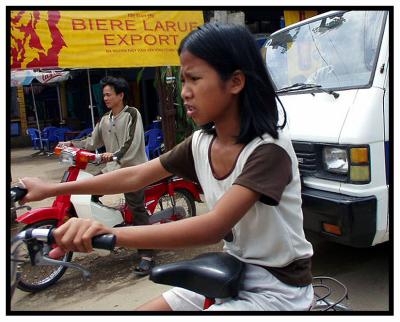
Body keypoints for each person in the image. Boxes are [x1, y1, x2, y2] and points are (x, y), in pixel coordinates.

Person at [21, 23, 314, 311]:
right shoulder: (201, 141)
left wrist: (108, 234)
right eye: (183, 81)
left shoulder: (269, 151)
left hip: (279, 289)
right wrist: (52, 188)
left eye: (195, 79)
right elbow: (136, 175)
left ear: (235, 82)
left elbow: (213, 227)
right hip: (233, 271)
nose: (185, 92)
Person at [57, 76, 154, 276]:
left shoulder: (132, 114)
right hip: (112, 168)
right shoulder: (105, 119)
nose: (106, 98)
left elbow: (131, 143)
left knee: (136, 206)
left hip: (132, 168)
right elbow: (92, 142)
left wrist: (115, 155)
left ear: (121, 95)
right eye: (104, 95)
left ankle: (147, 255)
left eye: (109, 94)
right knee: (88, 190)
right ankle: (107, 231)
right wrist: (73, 145)